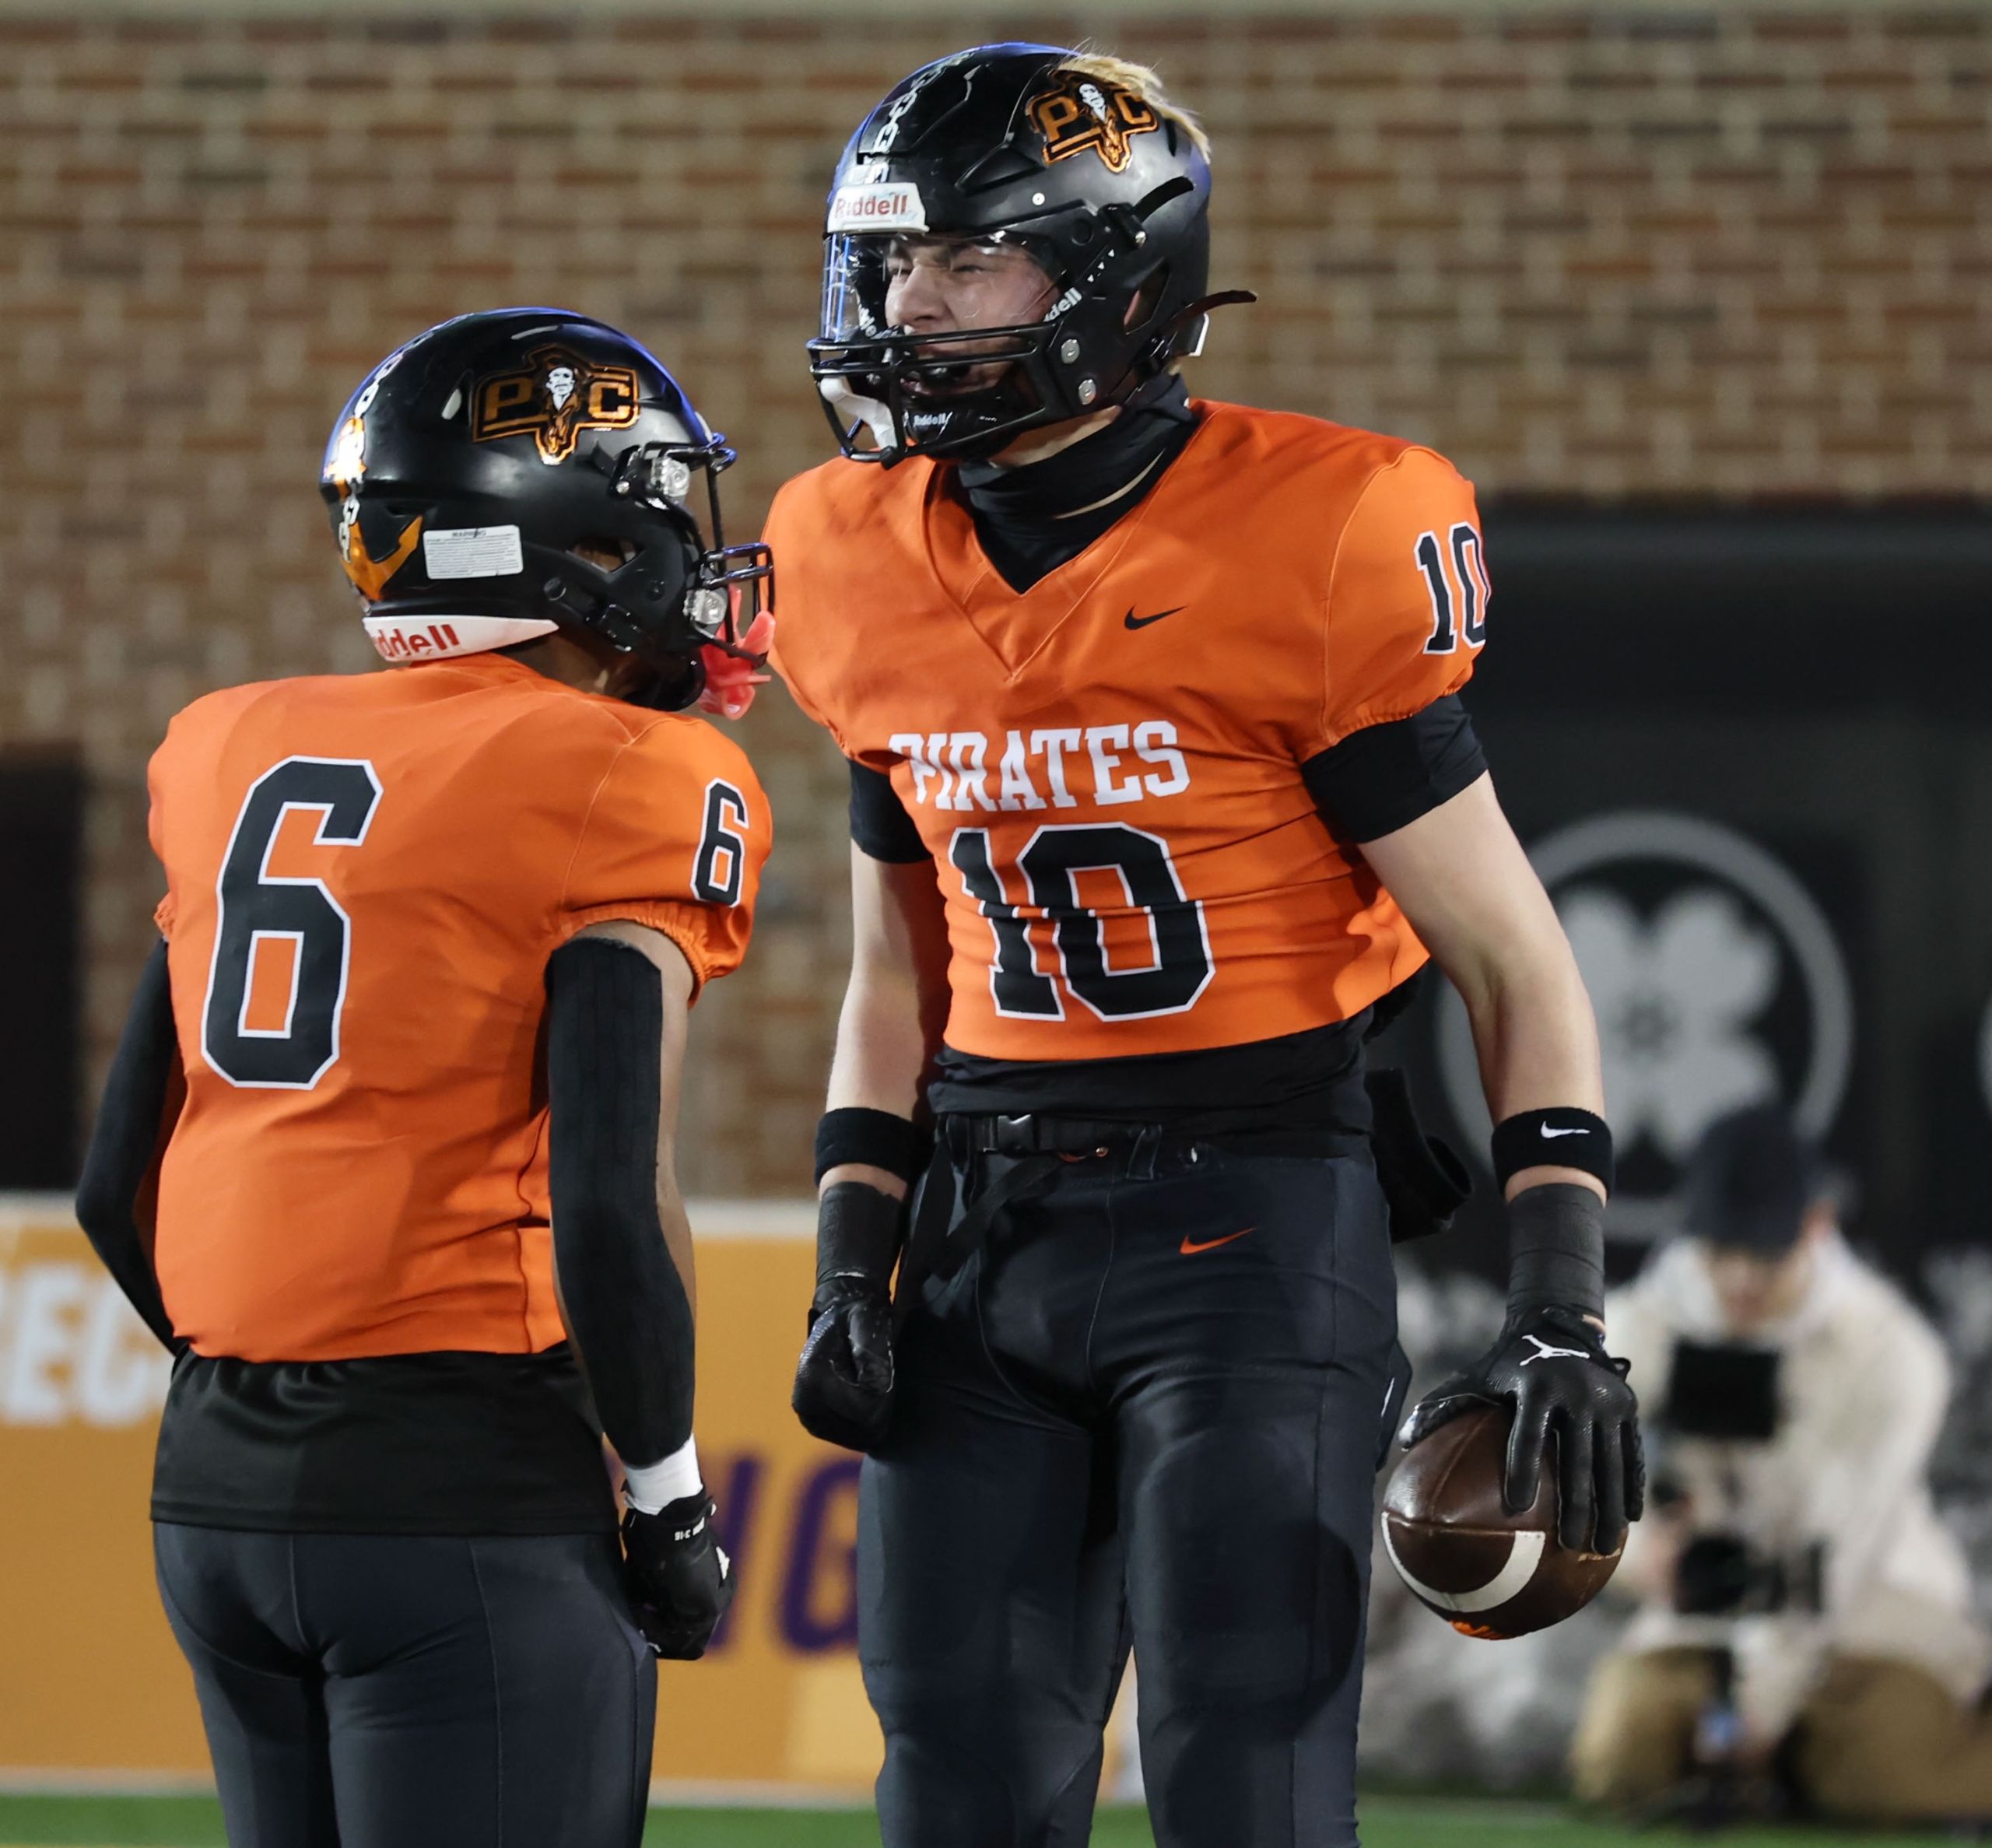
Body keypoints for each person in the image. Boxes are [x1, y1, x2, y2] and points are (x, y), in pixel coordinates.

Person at [766, 43, 1643, 1848]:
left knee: (1245, 1761)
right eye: (892, 258)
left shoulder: (1312, 534)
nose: (907, 303)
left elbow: (1512, 958)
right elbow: (894, 968)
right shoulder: (843, 550)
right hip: (980, 1224)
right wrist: (854, 1247)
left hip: (1248, 1215)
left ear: (1119, 277)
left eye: (965, 259)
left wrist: (1558, 1300)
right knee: (953, 1770)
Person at [74, 308, 774, 1848]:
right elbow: (607, 1191)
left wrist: (276, 1395)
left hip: (216, 1487)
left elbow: (117, 1182)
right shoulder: (630, 771)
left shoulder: (226, 744)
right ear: (561, 539)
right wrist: (666, 1492)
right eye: (651, 506)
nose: (679, 548)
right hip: (467, 1483)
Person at [1569, 1102, 1992, 1825]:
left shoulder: (1891, 1351)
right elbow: (1581, 1491)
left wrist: (1756, 1713)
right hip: (1705, 1615)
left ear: (1816, 1225)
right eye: (1720, 1249)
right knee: (1622, 1755)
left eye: (1763, 1253)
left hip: (1870, 1608)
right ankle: (1784, 1763)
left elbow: (1838, 1552)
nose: (1739, 1278)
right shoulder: (1637, 1329)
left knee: (1878, 1772)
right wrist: (1643, 1556)